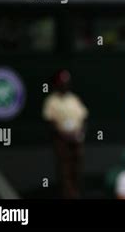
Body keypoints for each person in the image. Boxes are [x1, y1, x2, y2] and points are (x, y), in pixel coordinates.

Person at [43, 69, 88, 198]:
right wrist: (64, 136)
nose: (64, 85)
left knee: (77, 168)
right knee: (65, 170)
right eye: (62, 83)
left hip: (77, 139)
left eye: (66, 83)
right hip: (61, 140)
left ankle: (78, 193)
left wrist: (80, 134)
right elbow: (50, 122)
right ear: (56, 84)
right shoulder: (51, 101)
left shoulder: (74, 99)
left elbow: (84, 117)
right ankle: (67, 195)